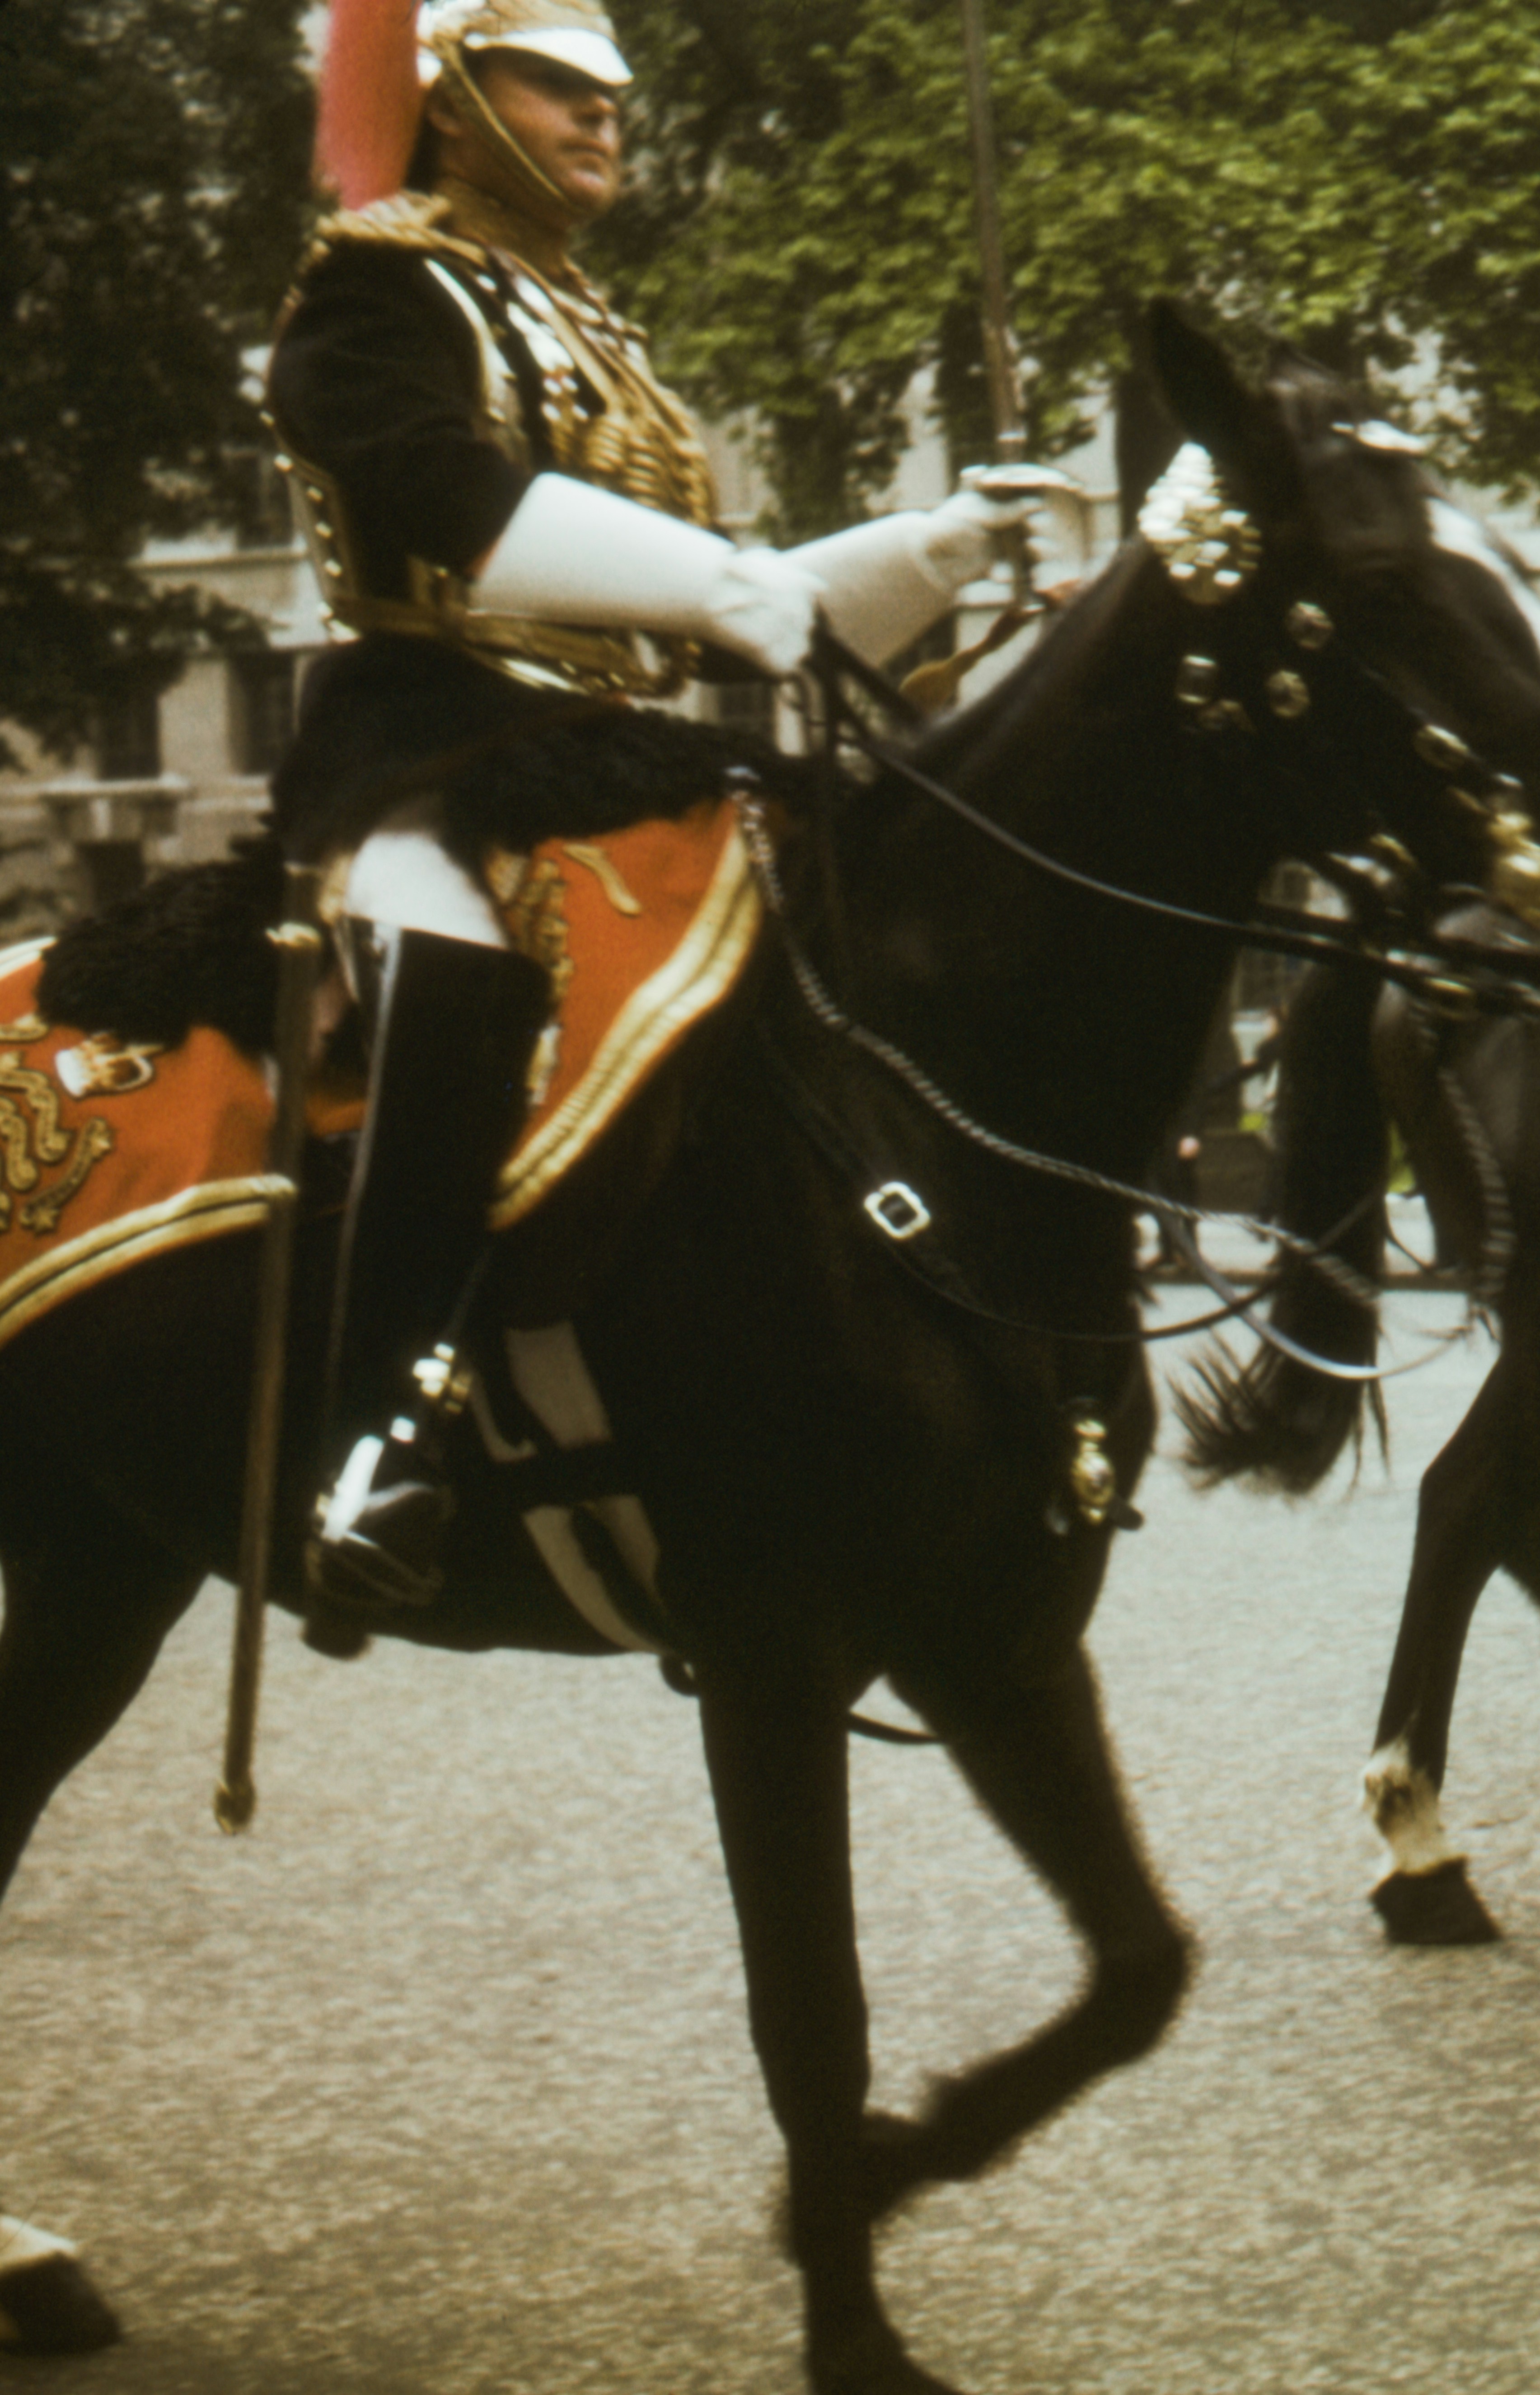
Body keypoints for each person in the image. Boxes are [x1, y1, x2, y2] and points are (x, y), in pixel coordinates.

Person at [271, 0, 1049, 1607]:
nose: (606, 117)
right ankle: (373, 1435)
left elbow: (719, 606)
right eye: (561, 85)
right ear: (453, 97)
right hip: (422, 749)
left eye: (615, 94)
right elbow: (445, 497)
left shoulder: (584, 315)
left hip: (610, 748)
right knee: (463, 978)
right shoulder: (378, 279)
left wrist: (935, 549)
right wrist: (717, 580)